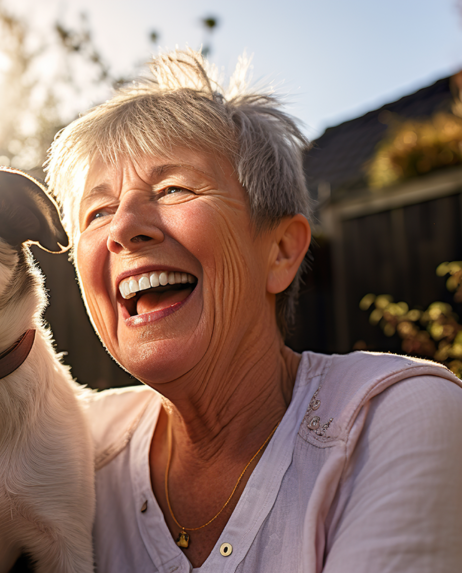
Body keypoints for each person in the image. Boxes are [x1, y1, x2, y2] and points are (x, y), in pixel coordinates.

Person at [44, 49, 462, 572]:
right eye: (98, 211)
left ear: (282, 251)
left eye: (173, 188)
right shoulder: (71, 449)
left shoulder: (388, 419)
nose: (124, 228)